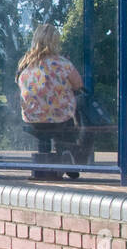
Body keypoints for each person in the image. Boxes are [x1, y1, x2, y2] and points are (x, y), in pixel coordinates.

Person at [15, 23, 91, 173]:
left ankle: (44, 160)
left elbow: (19, 84)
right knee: (72, 110)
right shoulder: (62, 63)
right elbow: (78, 85)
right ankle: (66, 151)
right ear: (55, 41)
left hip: (33, 117)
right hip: (60, 117)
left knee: (43, 133)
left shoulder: (24, 64)